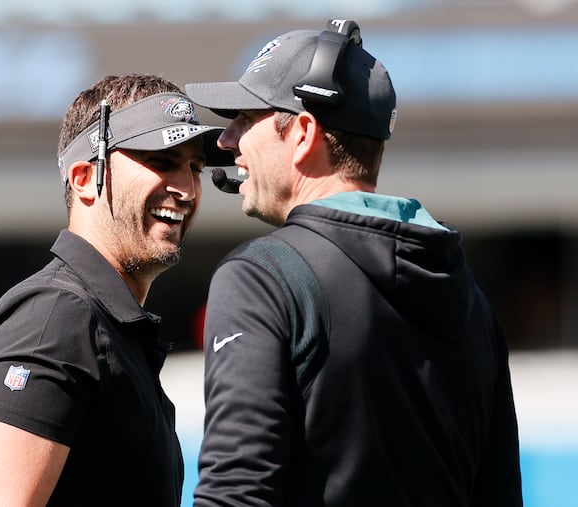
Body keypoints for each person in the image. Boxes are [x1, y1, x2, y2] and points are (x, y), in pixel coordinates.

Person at [185, 20, 523, 506]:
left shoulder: (261, 278)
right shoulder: (473, 301)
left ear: (302, 133)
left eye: (244, 118)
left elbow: (237, 494)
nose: (225, 140)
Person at [0, 73, 233, 506]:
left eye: (195, 167)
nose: (186, 189)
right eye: (162, 161)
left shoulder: (103, 324)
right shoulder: (52, 318)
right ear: (84, 177)